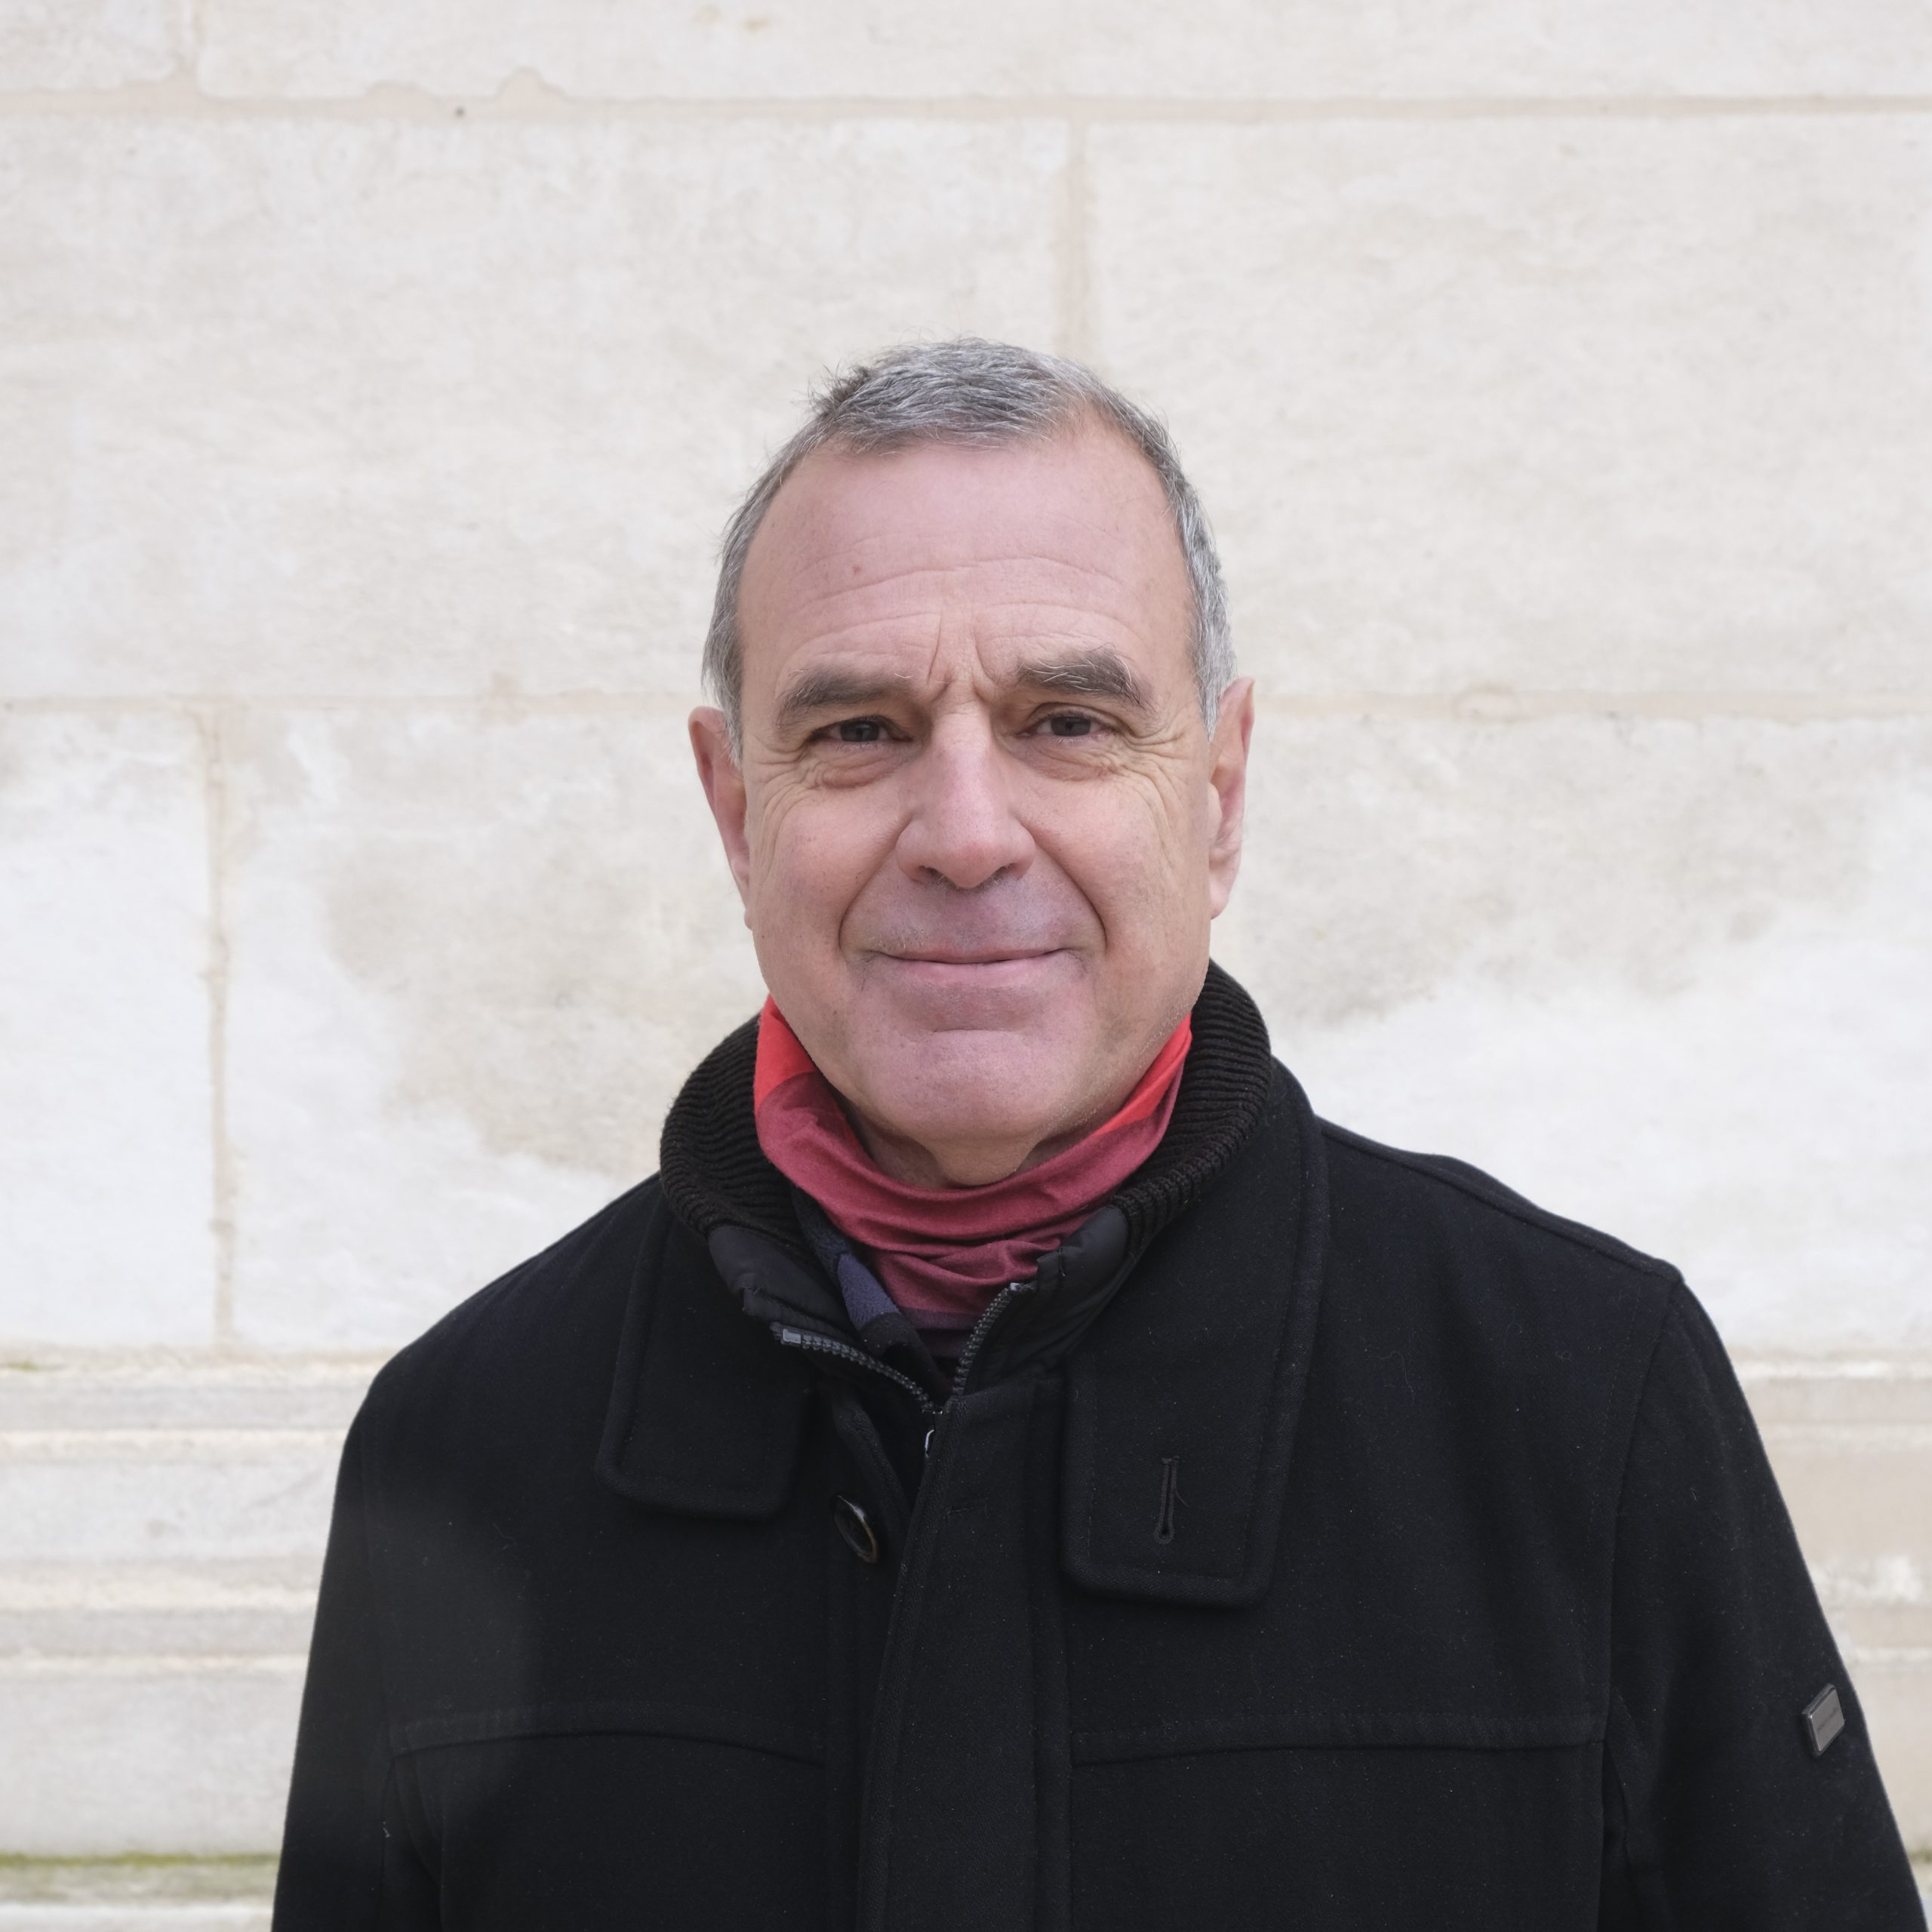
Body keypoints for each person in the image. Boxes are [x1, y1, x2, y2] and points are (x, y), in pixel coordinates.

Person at [272, 340, 1920, 1929]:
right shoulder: (462, 1447)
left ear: (1218, 793)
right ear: (735, 810)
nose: (965, 833)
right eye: (858, 730)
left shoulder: (1584, 1400)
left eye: (1066, 720)